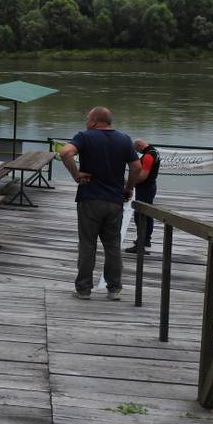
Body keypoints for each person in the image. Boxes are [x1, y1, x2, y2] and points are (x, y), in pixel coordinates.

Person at [60, 106, 141, 301]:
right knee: (112, 246)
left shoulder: (85, 136)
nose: (86, 122)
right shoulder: (124, 139)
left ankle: (83, 290)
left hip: (90, 200)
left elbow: (65, 153)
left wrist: (76, 175)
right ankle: (114, 289)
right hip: (114, 201)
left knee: (88, 245)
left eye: (87, 118)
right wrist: (128, 188)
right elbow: (136, 167)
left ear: (95, 121)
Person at [125, 139, 161, 254]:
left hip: (145, 189)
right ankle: (146, 240)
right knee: (148, 214)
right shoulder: (154, 152)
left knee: (140, 216)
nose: (137, 152)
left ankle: (140, 246)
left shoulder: (148, 156)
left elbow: (142, 176)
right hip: (150, 187)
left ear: (140, 146)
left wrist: (129, 183)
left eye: (137, 149)